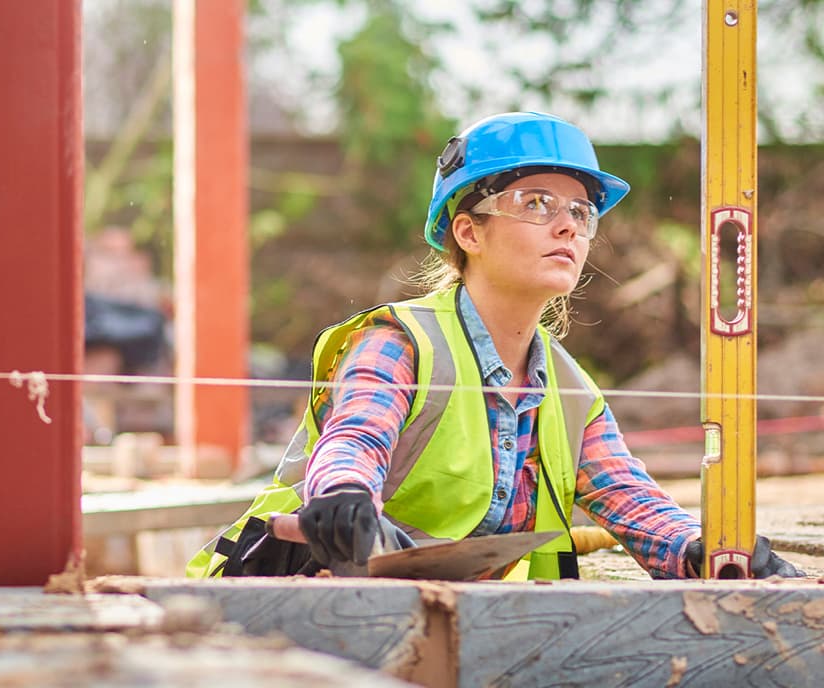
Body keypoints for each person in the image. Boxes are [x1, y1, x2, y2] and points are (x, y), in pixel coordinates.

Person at [187, 111, 803, 581]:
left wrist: (708, 551)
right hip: (271, 595)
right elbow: (355, 440)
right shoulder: (399, 343)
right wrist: (344, 498)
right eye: (536, 204)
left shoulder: (567, 392)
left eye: (580, 211)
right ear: (467, 231)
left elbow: (632, 500)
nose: (567, 225)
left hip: (442, 614)